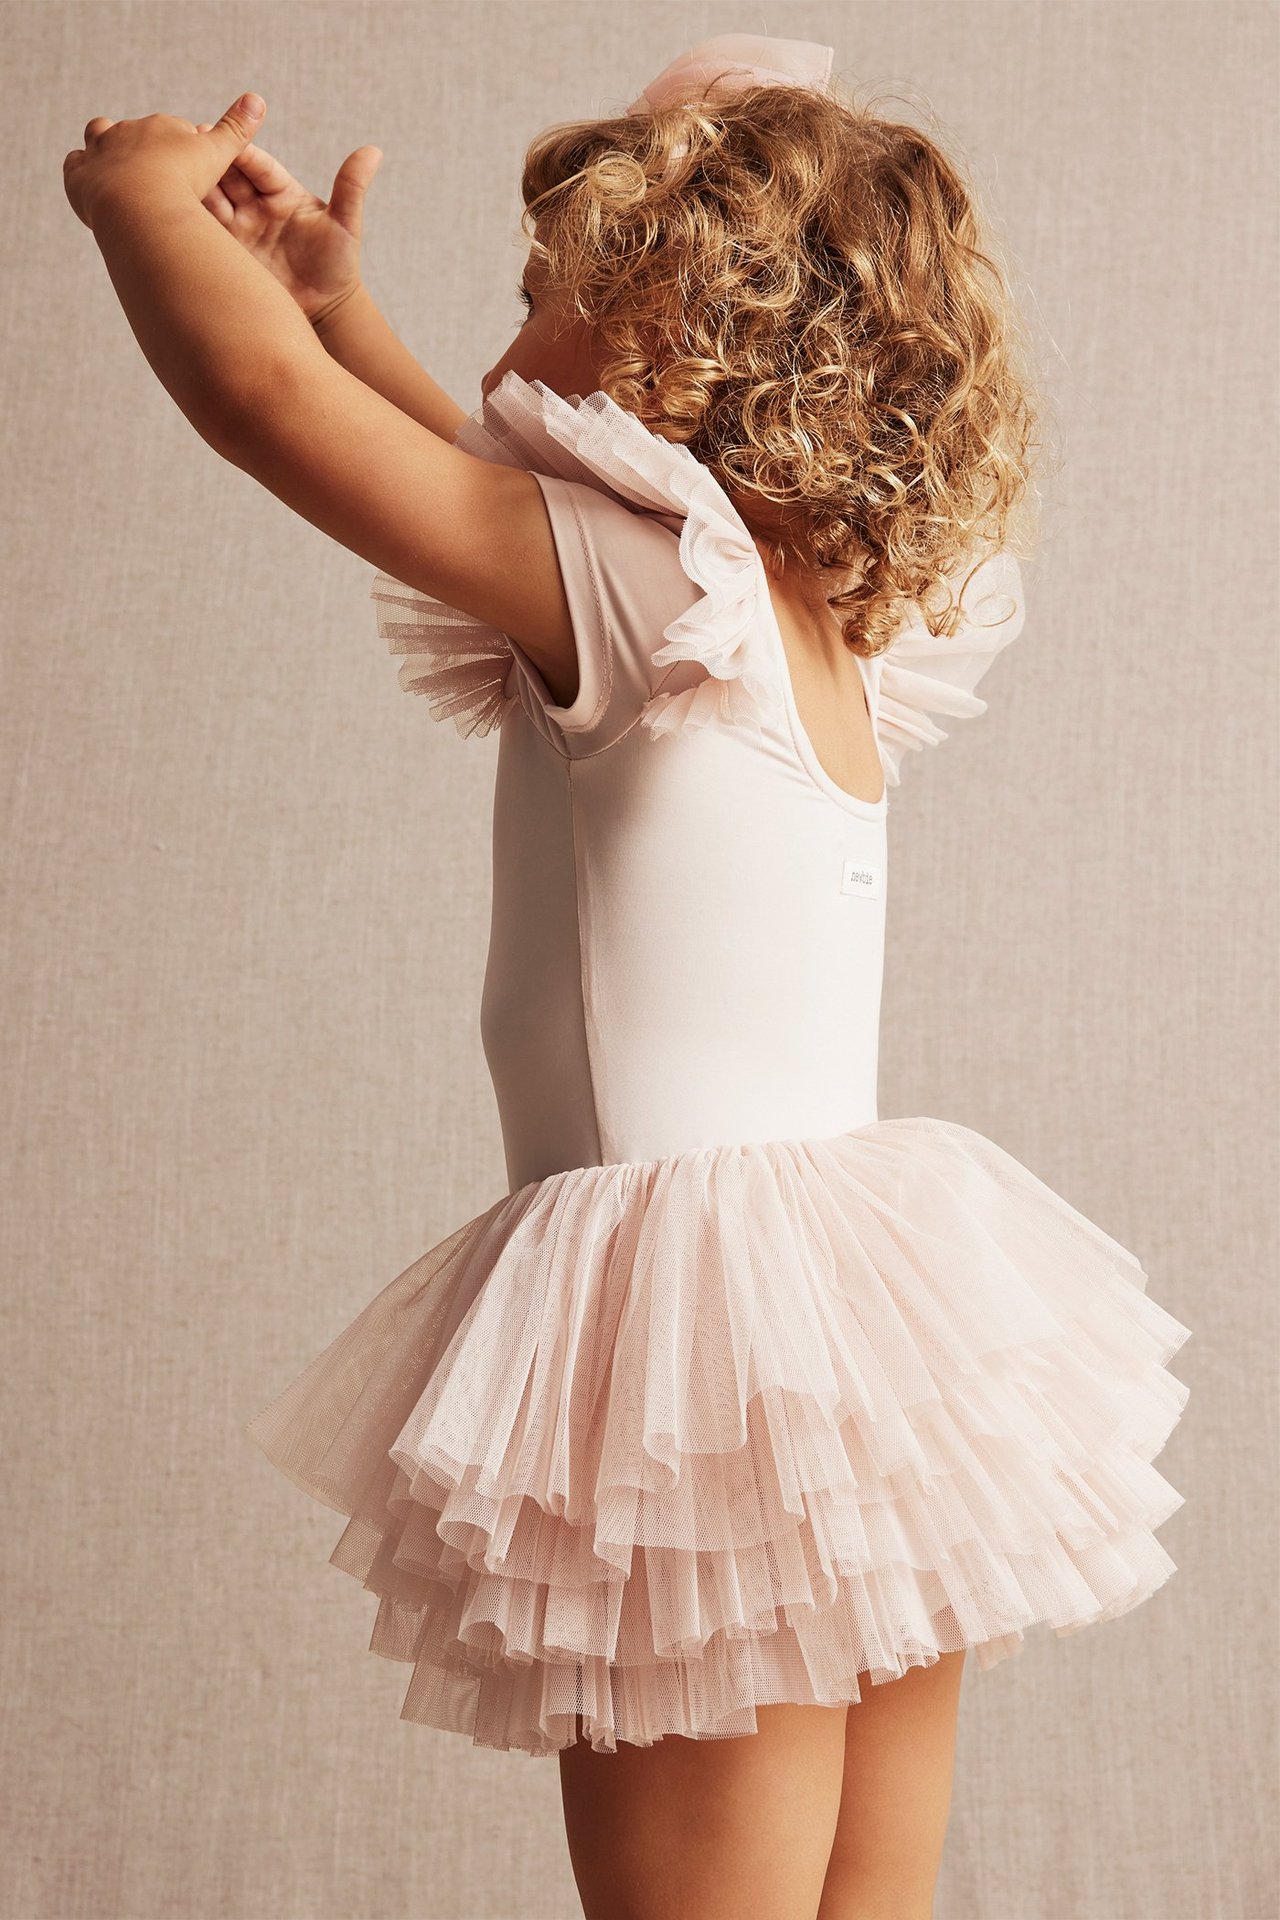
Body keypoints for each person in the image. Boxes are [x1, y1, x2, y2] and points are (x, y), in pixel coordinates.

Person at [63, 35, 1192, 1920]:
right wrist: (341, 312)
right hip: (859, 1353)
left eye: (546, 290)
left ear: (675, 345)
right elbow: (459, 475)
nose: (510, 330)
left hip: (706, 1372)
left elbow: (265, 412)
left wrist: (135, 206)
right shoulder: (790, 611)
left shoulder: (640, 593)